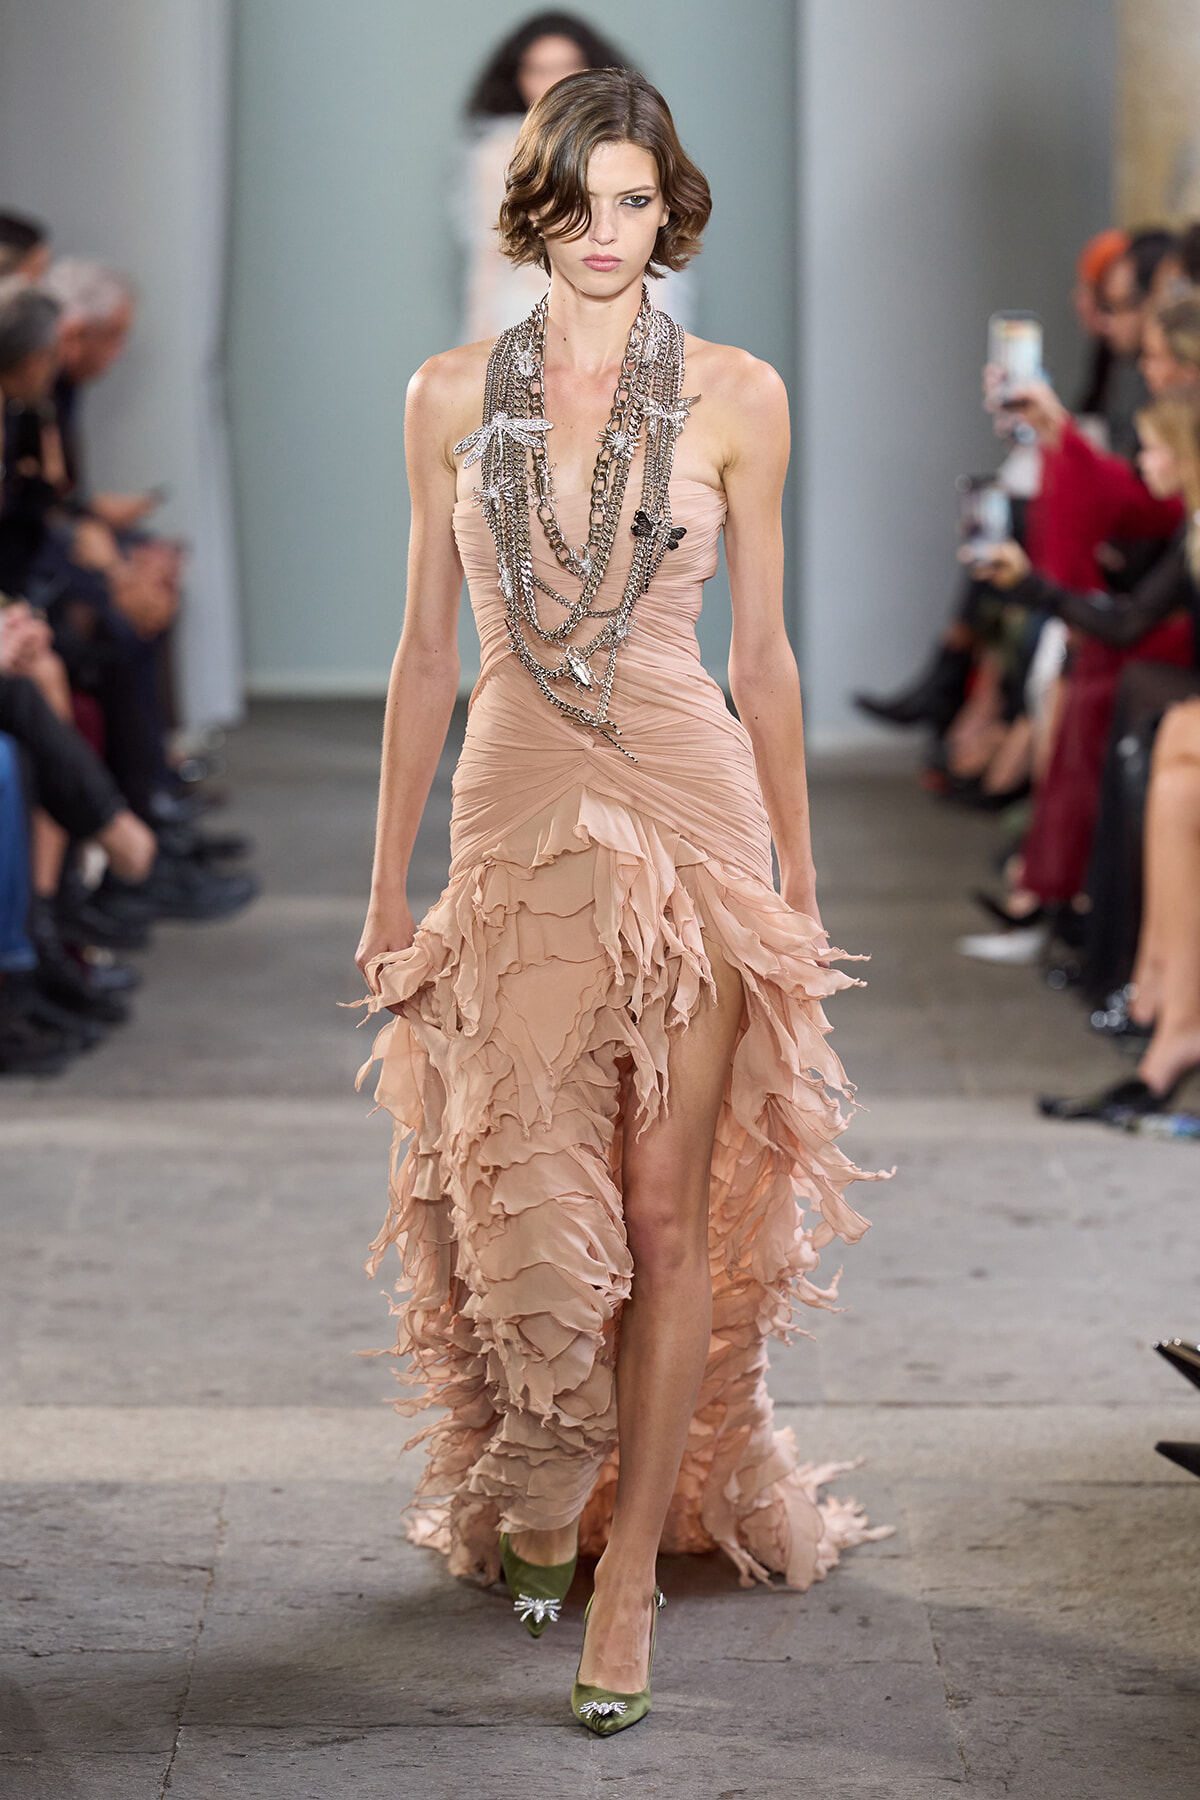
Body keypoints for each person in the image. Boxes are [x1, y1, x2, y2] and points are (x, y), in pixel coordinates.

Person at [355, 68, 887, 1736]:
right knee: (523, 1230)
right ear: (534, 207)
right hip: (513, 816)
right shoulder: (449, 395)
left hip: (692, 814)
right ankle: (542, 1482)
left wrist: (798, 877)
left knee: (665, 1226)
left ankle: (634, 1578)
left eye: (638, 203)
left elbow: (769, 658)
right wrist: (385, 882)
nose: (607, 234)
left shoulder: (738, 395)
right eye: (580, 202)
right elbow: (427, 652)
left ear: (675, 211)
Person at [459, 13, 694, 342]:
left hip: (629, 312)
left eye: (634, 200)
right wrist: (479, 337)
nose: (553, 81)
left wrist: (663, 327)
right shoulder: (496, 154)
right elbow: (489, 252)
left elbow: (654, 253)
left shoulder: (638, 136)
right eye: (538, 69)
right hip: (524, 309)